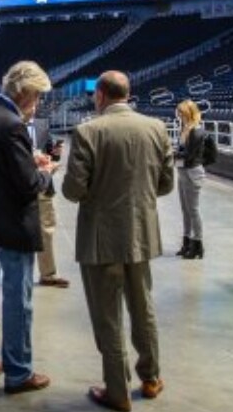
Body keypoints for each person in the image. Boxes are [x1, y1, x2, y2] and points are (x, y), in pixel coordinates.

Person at [61, 71, 174, 412]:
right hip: (141, 234)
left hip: (101, 240)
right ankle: (151, 378)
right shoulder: (155, 127)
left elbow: (73, 190)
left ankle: (117, 391)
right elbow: (166, 183)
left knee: (108, 316)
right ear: (128, 94)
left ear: (100, 96)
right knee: (144, 309)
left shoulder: (87, 132)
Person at [0, 61, 57, 395]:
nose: (38, 103)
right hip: (12, 227)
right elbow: (28, 185)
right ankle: (18, 373)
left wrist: (27, 159)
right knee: (18, 300)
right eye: (37, 96)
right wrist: (47, 172)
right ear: (25, 92)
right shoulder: (13, 124)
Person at [26, 116, 70, 287]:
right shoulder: (11, 124)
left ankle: (48, 274)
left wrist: (55, 153)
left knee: (47, 230)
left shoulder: (41, 124)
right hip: (20, 188)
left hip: (43, 187)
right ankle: (16, 274)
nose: (35, 104)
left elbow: (51, 153)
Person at [175, 99, 207, 260]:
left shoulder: (196, 130)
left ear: (188, 112)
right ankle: (187, 242)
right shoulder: (185, 129)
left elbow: (189, 154)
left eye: (181, 112)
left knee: (193, 210)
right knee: (185, 210)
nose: (179, 115)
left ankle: (198, 244)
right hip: (182, 171)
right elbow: (181, 150)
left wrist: (170, 154)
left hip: (192, 172)